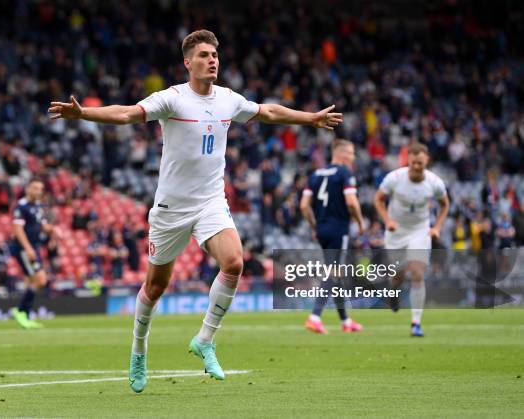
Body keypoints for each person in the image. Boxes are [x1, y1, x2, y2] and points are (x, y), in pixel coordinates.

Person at [48, 29, 342, 393]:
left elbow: (267, 111)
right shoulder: (172, 99)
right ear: (188, 62)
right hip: (171, 209)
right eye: (204, 55)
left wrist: (310, 118)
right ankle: (139, 348)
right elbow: (126, 114)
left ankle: (205, 339)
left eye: (215, 54)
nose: (212, 59)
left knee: (234, 262)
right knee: (156, 288)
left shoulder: (228, 100)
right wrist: (84, 114)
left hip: (210, 203)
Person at [373, 143, 449, 337]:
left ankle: (416, 323)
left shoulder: (434, 182)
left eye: (420, 163)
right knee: (397, 276)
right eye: (413, 162)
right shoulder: (395, 178)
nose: (416, 166)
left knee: (417, 273)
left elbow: (445, 205)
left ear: (426, 161)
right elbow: (378, 199)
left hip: (419, 231)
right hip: (396, 232)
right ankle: (393, 292)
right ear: (408, 160)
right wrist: (387, 220)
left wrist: (437, 227)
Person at [300, 139, 365, 334]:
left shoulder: (316, 174)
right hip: (339, 229)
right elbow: (352, 202)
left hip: (322, 230)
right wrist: (361, 223)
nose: (353, 157)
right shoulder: (345, 173)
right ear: (343, 154)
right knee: (334, 274)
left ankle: (346, 321)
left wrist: (314, 226)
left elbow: (304, 205)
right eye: (352, 153)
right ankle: (314, 317)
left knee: (336, 276)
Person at [10, 178, 59, 329]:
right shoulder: (21, 206)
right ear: (28, 189)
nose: (38, 191)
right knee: (40, 279)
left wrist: (53, 230)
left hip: (34, 246)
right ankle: (21, 311)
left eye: (40, 188)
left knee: (32, 281)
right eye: (35, 188)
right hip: (24, 248)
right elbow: (17, 230)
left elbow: (42, 225)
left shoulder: (38, 206)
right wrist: (28, 248)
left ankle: (25, 314)